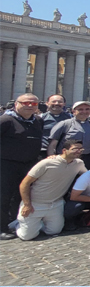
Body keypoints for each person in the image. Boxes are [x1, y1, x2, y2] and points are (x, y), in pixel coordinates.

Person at [15, 140, 87, 240]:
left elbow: (88, 175)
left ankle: (35, 223)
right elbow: (25, 183)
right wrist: (27, 204)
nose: (78, 151)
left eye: (80, 149)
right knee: (27, 236)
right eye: (75, 149)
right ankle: (18, 223)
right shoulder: (46, 163)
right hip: (35, 204)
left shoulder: (79, 163)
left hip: (55, 204)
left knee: (54, 231)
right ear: (64, 150)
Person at [1, 93, 45, 240]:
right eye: (25, 103)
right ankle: (1, 227)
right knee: (4, 196)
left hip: (28, 164)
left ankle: (14, 223)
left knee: (21, 196)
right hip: (6, 164)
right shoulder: (6, 120)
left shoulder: (38, 120)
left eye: (33, 103)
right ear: (16, 104)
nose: (30, 106)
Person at [48, 101, 90, 171]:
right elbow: (52, 144)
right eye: (80, 109)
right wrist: (52, 157)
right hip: (67, 159)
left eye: (87, 109)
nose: (84, 112)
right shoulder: (64, 124)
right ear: (73, 111)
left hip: (86, 159)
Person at [40, 94, 71, 159]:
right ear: (47, 103)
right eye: (53, 101)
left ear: (64, 104)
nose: (57, 103)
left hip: (64, 151)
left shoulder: (70, 117)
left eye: (60, 102)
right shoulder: (41, 118)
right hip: (43, 151)